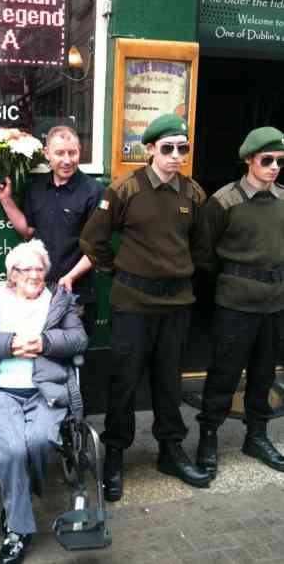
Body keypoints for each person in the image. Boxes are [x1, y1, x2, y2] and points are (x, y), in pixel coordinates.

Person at [80, 113, 212, 501]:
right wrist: (118, 272)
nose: (176, 155)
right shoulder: (125, 189)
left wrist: (179, 272)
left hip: (176, 304)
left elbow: (201, 248)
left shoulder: (194, 194)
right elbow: (93, 240)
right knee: (124, 382)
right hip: (133, 303)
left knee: (169, 382)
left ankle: (170, 451)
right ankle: (115, 455)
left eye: (182, 148)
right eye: (168, 148)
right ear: (150, 149)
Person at [0, 239, 88, 564]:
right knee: (14, 449)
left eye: (39, 268)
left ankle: (17, 499)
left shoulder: (60, 301)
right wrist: (9, 343)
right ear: (12, 273)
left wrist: (43, 342)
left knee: (40, 441)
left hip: (45, 390)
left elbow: (78, 338)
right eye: (25, 268)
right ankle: (18, 529)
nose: (33, 274)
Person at [196, 127, 284, 479]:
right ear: (249, 160)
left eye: (280, 161)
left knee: (265, 373)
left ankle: (257, 435)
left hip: (274, 303)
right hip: (235, 303)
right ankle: (208, 436)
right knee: (224, 373)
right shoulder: (224, 201)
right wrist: (233, 279)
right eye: (267, 160)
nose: (275, 167)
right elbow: (204, 254)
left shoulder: (282, 199)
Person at [0, 126, 103, 333]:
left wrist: (71, 277)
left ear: (80, 151)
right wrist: (6, 200)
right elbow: (28, 232)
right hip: (38, 293)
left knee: (75, 358)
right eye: (60, 153)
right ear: (47, 154)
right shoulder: (36, 187)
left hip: (78, 294)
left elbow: (96, 248)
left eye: (73, 153)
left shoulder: (93, 190)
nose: (67, 160)